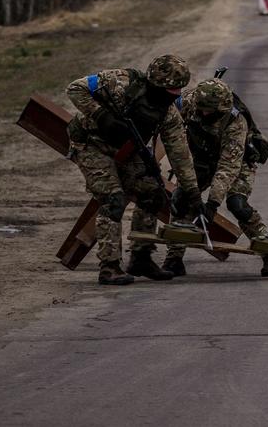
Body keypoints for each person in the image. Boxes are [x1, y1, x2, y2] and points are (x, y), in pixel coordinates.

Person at [66, 55, 199, 286]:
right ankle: (109, 266)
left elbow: (180, 154)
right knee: (113, 199)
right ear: (157, 83)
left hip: (128, 148)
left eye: (179, 90)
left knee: (153, 193)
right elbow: (75, 88)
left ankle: (141, 257)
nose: (176, 95)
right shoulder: (121, 82)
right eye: (171, 90)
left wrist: (192, 192)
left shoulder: (166, 113)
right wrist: (100, 114)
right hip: (91, 144)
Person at [164, 78, 268, 277]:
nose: (204, 114)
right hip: (203, 158)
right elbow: (168, 126)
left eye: (210, 111)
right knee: (180, 198)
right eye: (202, 109)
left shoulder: (235, 121)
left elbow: (228, 166)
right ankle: (174, 257)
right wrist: (190, 189)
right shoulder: (189, 103)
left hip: (239, 161)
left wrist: (212, 204)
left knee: (238, 205)